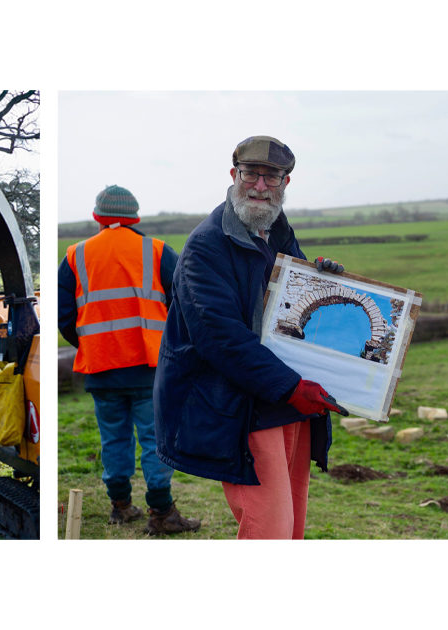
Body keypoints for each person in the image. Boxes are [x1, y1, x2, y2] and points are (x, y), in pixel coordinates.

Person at [154, 135, 346, 539]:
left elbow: (286, 301)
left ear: (285, 184)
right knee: (269, 529)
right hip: (242, 403)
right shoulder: (206, 247)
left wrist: (317, 276)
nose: (260, 186)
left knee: (291, 522)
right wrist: (291, 386)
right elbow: (220, 338)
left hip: (286, 398)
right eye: (251, 175)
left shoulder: (275, 230)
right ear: (233, 175)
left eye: (271, 178)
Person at [60, 184, 202, 535]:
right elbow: (183, 305)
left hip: (101, 369)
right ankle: (161, 513)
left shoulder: (75, 255)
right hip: (149, 368)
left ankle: (120, 507)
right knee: (155, 439)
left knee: (113, 439)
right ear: (136, 217)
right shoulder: (156, 251)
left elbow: (63, 316)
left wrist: (90, 345)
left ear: (96, 217)